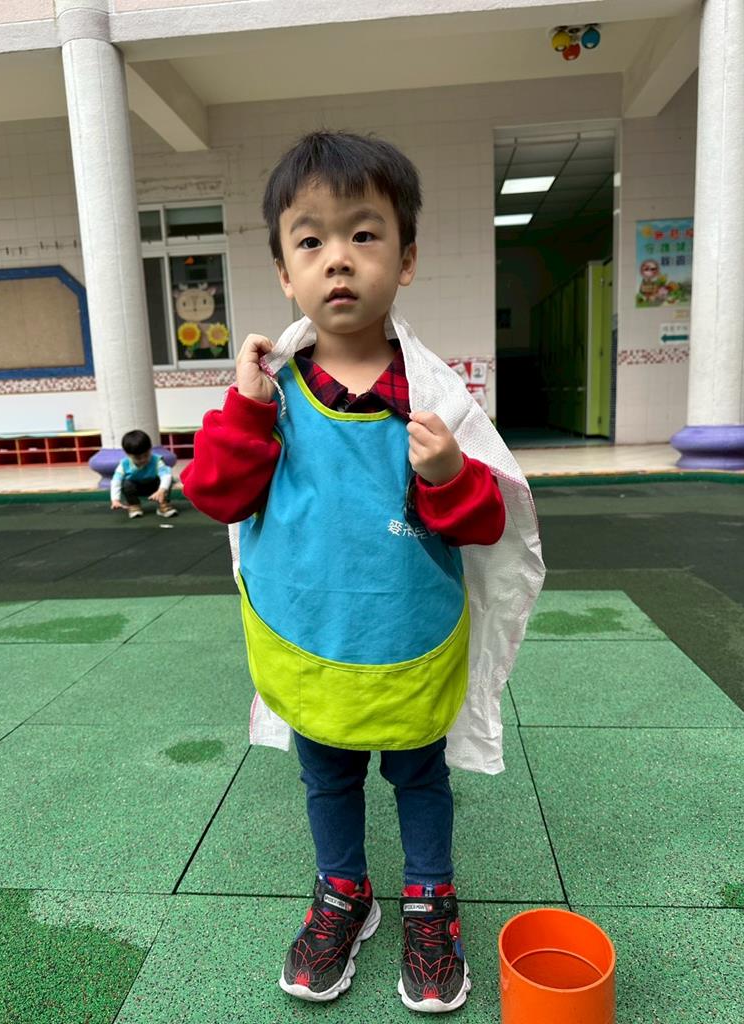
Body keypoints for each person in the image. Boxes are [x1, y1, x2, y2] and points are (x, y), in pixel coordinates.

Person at [181, 131, 544, 1013]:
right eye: (310, 239)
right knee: (327, 777)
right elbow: (217, 496)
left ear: (406, 259)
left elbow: (489, 526)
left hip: (407, 638)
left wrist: (448, 475)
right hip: (307, 641)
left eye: (363, 234)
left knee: (419, 777)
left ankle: (429, 901)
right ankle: (343, 892)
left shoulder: (434, 400)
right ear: (283, 271)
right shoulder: (272, 395)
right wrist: (244, 413)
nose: (337, 258)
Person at [110, 429, 178, 519]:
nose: (143, 460)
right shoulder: (124, 464)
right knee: (126, 483)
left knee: (168, 479)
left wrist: (161, 490)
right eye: (137, 458)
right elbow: (116, 481)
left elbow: (166, 476)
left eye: (146, 455)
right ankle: (134, 506)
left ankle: (164, 505)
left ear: (150, 449)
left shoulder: (157, 460)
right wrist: (115, 499)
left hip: (156, 488)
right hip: (136, 488)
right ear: (128, 454)